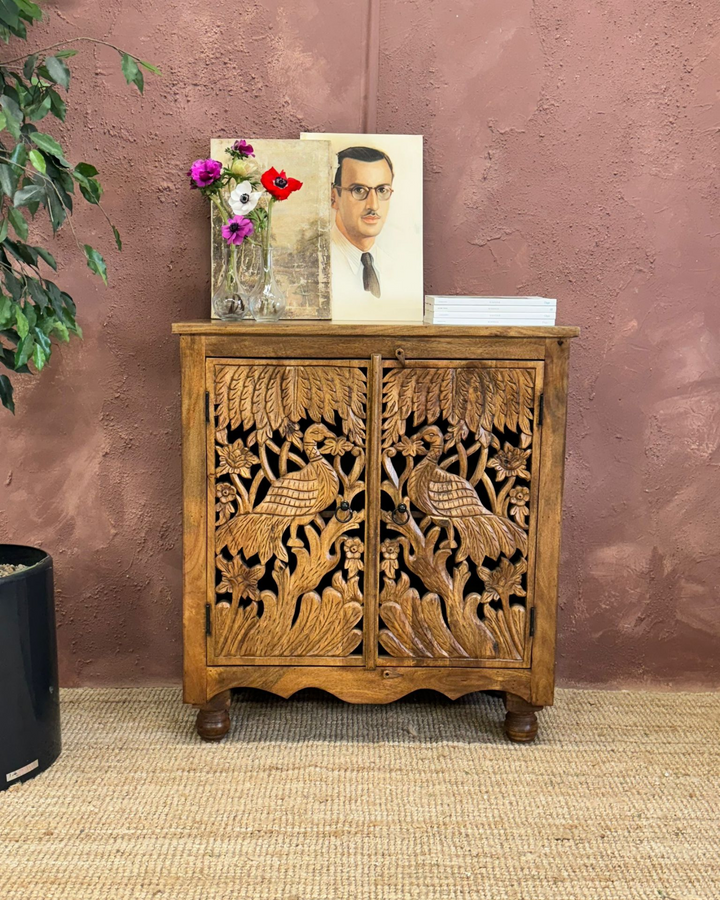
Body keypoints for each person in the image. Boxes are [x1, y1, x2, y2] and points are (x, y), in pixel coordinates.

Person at [330, 146, 395, 305]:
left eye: (382, 190)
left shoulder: (398, 271)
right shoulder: (315, 268)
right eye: (359, 190)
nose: (373, 205)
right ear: (334, 197)